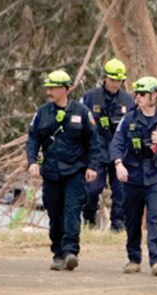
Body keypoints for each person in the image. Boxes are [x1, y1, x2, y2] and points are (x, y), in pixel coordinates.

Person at [26, 70, 103, 272]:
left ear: (65, 89)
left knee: (71, 211)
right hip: (51, 172)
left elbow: (93, 141)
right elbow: (33, 139)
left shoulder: (82, 112)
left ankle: (70, 252)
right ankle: (58, 253)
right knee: (54, 212)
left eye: (52, 88)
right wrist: (32, 161)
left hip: (75, 172)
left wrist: (92, 166)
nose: (49, 91)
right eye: (47, 87)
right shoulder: (42, 113)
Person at [110, 76, 157, 276]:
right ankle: (134, 259)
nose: (138, 97)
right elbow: (116, 144)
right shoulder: (129, 120)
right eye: (137, 94)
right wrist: (118, 164)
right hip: (132, 177)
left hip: (156, 177)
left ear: (154, 95)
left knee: (156, 217)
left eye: (142, 94)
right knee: (132, 219)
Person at [80, 58, 135, 232]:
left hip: (119, 153)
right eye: (112, 80)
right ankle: (89, 218)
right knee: (92, 190)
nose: (114, 84)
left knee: (121, 192)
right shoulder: (90, 97)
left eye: (118, 81)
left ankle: (118, 226)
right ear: (105, 78)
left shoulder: (128, 101)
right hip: (96, 152)